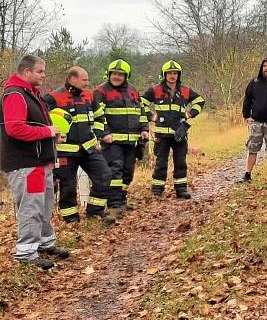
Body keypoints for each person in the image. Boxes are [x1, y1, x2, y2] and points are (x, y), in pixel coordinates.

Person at [0, 55, 70, 270]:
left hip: (41, 161)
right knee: (31, 207)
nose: (43, 75)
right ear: (26, 71)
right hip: (26, 163)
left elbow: (33, 126)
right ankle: (26, 253)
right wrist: (46, 131)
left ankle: (44, 243)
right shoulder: (15, 94)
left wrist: (52, 135)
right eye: (40, 71)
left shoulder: (31, 94)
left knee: (45, 204)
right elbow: (15, 128)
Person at [42, 67, 115, 226]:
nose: (87, 83)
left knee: (104, 176)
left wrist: (97, 136)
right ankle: (71, 220)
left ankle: (95, 212)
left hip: (89, 148)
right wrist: (53, 135)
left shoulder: (90, 95)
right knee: (68, 186)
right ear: (72, 79)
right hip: (65, 152)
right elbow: (42, 119)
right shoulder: (52, 97)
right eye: (84, 79)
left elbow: (99, 118)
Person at [141, 60, 205, 199]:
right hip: (161, 134)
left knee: (180, 162)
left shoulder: (185, 90)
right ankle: (157, 190)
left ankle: (181, 189)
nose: (172, 76)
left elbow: (200, 101)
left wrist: (190, 114)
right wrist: (151, 116)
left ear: (179, 75)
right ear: (164, 75)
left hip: (179, 133)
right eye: (169, 73)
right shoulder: (155, 89)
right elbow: (141, 102)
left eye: (175, 73)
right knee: (161, 162)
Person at [93, 59, 149, 219]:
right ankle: (114, 205)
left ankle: (122, 200)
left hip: (131, 141)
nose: (117, 77)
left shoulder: (132, 90)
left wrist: (144, 129)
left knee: (127, 172)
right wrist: (104, 133)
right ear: (109, 74)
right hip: (112, 141)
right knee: (115, 171)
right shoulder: (101, 91)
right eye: (114, 74)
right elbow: (98, 116)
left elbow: (141, 111)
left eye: (120, 74)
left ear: (126, 76)